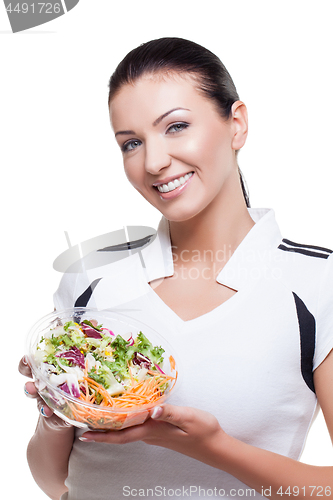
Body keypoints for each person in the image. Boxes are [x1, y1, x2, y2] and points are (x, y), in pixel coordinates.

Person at [20, 37, 333, 500]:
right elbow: (59, 482)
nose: (153, 162)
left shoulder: (315, 284)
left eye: (176, 126)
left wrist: (214, 448)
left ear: (237, 124)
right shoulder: (91, 279)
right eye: (131, 143)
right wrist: (55, 410)